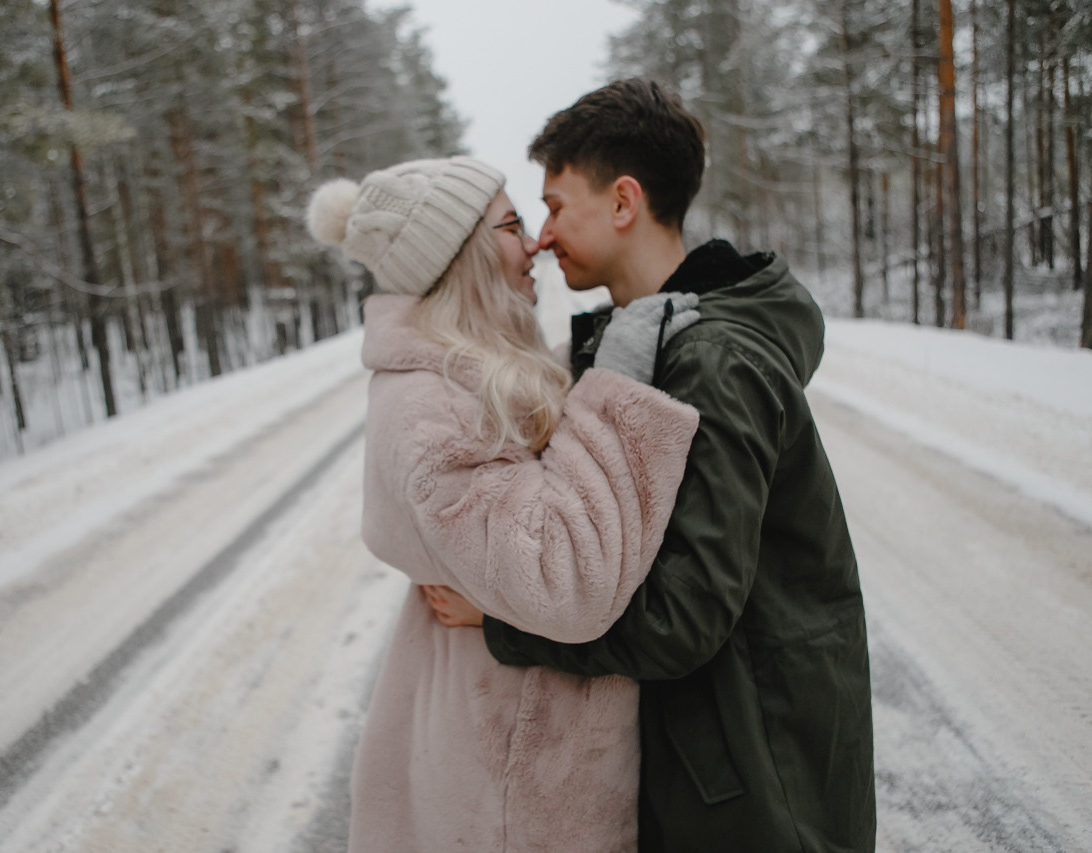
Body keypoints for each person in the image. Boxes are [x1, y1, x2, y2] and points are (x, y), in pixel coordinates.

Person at [428, 80, 876, 852]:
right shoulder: (654, 347)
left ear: (624, 202)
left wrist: (505, 621)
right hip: (723, 762)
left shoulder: (713, 361)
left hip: (756, 790)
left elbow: (685, 615)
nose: (540, 235)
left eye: (558, 205)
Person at [305, 155, 701, 853]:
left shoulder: (468, 373)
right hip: (507, 787)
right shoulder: (432, 410)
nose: (536, 242)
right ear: (462, 255)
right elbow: (562, 574)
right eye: (514, 223)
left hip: (515, 754)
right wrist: (618, 382)